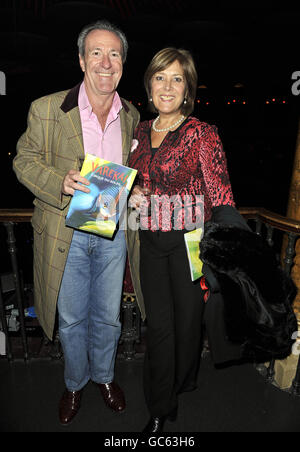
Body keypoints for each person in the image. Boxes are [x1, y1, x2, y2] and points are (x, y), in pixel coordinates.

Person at [13, 20, 140, 426]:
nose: (106, 62)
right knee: (70, 319)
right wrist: (59, 181)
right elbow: (23, 160)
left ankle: (104, 378)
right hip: (63, 233)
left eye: (115, 54)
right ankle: (74, 382)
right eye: (97, 53)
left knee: (108, 316)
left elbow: (135, 170)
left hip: (111, 232)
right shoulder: (47, 108)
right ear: (82, 60)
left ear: (123, 63)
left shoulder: (132, 115)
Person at [128, 47, 238, 433]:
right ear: (149, 85)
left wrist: (238, 250)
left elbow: (221, 195)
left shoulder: (202, 133)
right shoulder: (139, 130)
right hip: (150, 242)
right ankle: (160, 406)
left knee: (188, 327)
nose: (168, 86)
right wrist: (132, 192)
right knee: (158, 326)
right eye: (160, 77)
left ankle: (182, 380)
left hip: (189, 244)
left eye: (177, 78)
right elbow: (131, 178)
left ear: (188, 88)